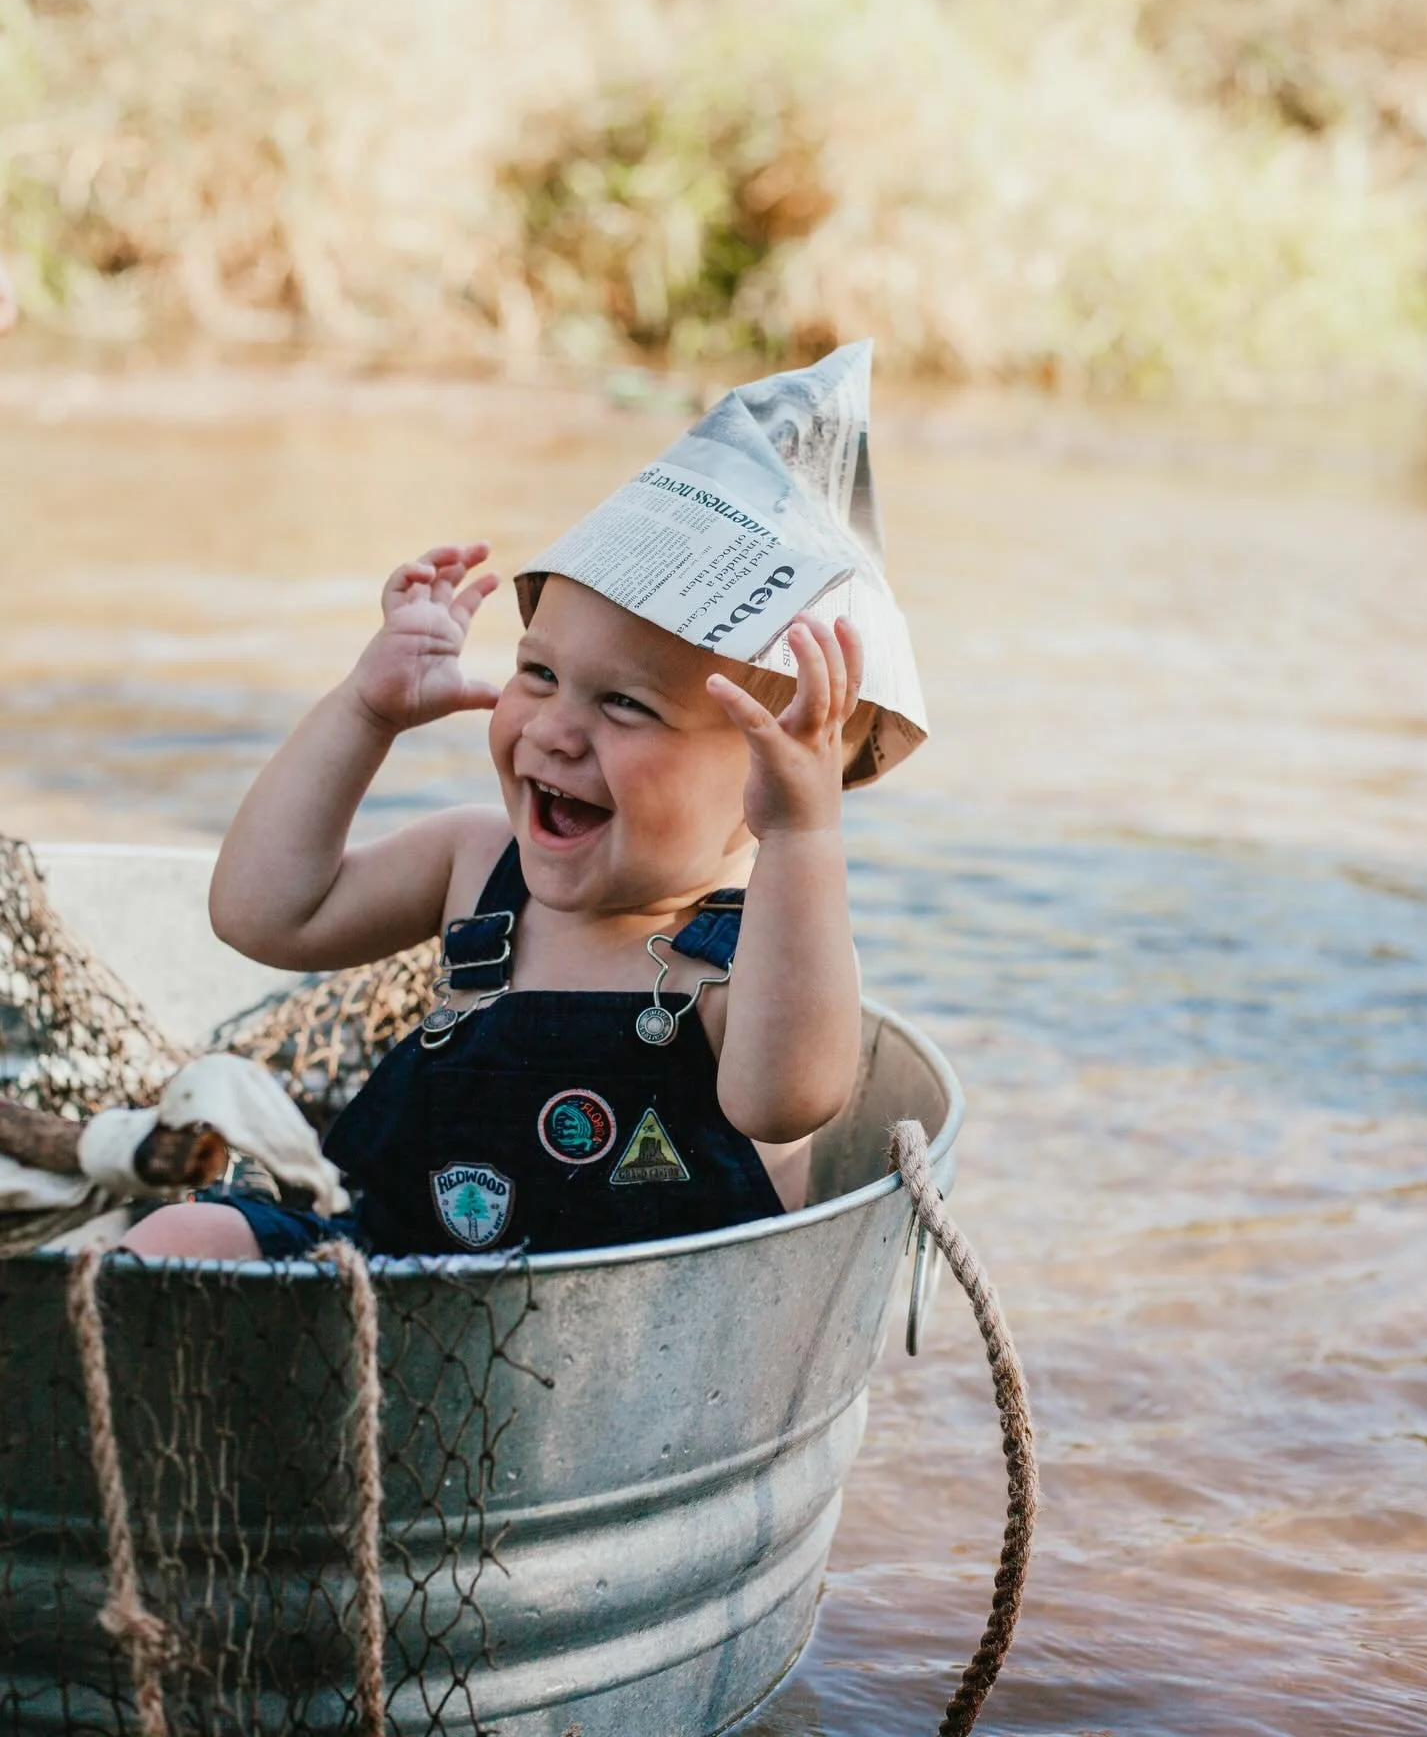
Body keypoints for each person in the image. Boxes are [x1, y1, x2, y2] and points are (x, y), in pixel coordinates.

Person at [124, 344, 927, 1262]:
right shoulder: (476, 864)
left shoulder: (765, 952)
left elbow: (789, 1098)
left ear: (765, 770)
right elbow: (265, 915)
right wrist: (363, 714)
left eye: (626, 703)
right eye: (538, 672)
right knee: (186, 1231)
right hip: (379, 1281)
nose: (554, 728)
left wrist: (803, 833)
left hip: (635, 1351)